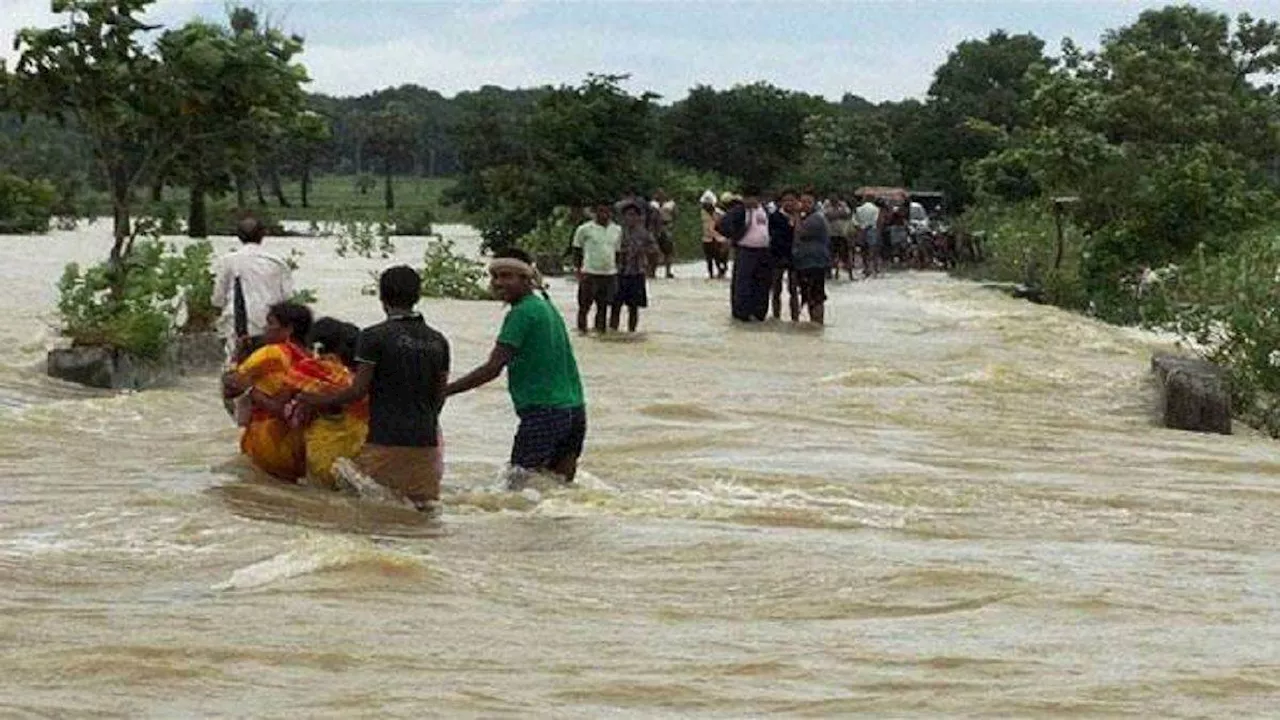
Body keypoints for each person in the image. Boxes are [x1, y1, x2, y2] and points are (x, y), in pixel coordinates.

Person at [298, 266, 450, 511]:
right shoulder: (438, 340)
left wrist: (316, 400)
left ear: (382, 297)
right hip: (426, 443)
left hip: (385, 439)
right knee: (421, 515)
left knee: (377, 516)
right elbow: (439, 395)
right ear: (418, 296)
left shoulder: (373, 337)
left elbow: (357, 391)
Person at [445, 248, 586, 489]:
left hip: (543, 413)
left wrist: (444, 391)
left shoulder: (521, 314)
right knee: (559, 491)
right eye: (495, 276)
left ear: (526, 278)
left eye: (507, 276)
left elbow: (492, 369)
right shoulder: (546, 308)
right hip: (575, 411)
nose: (499, 283)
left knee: (515, 491)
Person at [221, 302, 312, 481]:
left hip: (267, 441)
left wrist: (236, 357)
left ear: (288, 329)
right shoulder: (310, 357)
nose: (265, 329)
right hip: (300, 447)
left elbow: (231, 388)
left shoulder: (270, 353)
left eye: (270, 323)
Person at [284, 318, 369, 490]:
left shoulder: (311, 370)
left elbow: (284, 400)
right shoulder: (362, 378)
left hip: (324, 446)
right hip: (360, 445)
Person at [211, 216, 294, 361]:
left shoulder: (228, 261)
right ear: (263, 234)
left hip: (237, 324)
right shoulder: (278, 262)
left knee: (236, 364)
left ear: (238, 236)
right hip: (271, 325)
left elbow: (217, 299)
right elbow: (287, 298)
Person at [721, 186, 773, 322]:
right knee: (742, 283)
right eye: (747, 198)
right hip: (745, 251)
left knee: (763, 283)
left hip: (764, 252)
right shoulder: (738, 211)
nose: (750, 200)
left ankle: (759, 312)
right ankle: (741, 313)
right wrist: (732, 237)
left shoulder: (766, 210)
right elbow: (722, 224)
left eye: (753, 198)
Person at [571, 203, 621, 334]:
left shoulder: (617, 230)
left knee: (603, 306)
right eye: (600, 211)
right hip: (589, 272)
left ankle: (600, 331)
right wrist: (577, 270)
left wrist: (618, 269)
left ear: (611, 213)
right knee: (584, 305)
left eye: (607, 211)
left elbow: (618, 251)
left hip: (609, 273)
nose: (604, 215)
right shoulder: (584, 229)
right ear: (595, 213)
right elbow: (577, 249)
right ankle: (582, 330)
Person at [612, 202, 660, 332]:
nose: (630, 218)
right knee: (615, 305)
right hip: (619, 273)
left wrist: (650, 268)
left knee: (633, 307)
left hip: (637, 273)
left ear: (639, 217)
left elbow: (654, 250)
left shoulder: (644, 234)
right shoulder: (617, 232)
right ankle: (613, 331)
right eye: (628, 215)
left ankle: (632, 332)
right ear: (623, 217)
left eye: (634, 215)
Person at [793, 193, 832, 324]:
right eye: (802, 202)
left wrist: (796, 216)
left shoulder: (815, 219)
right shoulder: (810, 217)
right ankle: (814, 324)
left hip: (814, 262)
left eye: (808, 202)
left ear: (814, 204)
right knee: (810, 296)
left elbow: (800, 232)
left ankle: (817, 323)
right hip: (807, 262)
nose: (804, 205)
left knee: (816, 296)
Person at [768, 189, 801, 322]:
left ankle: (795, 319)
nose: (789, 203)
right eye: (786, 200)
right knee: (776, 289)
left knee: (793, 289)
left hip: (794, 257)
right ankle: (776, 317)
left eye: (792, 200)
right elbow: (772, 237)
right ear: (781, 202)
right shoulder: (774, 217)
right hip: (777, 256)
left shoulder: (800, 217)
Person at [650, 189, 677, 279]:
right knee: (653, 250)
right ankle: (652, 271)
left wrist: (672, 226)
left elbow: (675, 216)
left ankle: (668, 271)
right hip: (655, 228)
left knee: (668, 250)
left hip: (666, 226)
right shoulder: (652, 204)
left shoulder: (671, 204)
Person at [825, 196, 854, 281]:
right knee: (830, 256)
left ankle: (850, 275)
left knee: (845, 256)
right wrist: (839, 214)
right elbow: (828, 215)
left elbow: (848, 214)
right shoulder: (827, 206)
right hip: (831, 235)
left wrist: (836, 214)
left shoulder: (843, 205)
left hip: (842, 234)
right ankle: (829, 274)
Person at [699, 196, 727, 279]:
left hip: (718, 238)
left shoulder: (720, 213)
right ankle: (711, 274)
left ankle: (721, 270)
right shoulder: (702, 212)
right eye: (704, 204)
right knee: (708, 258)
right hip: (706, 238)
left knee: (719, 257)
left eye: (707, 204)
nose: (705, 206)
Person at [855, 195, 882, 278]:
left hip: (861, 230)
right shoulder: (876, 209)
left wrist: (860, 228)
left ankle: (866, 268)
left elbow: (855, 221)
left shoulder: (858, 209)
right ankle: (874, 268)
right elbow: (876, 221)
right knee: (873, 250)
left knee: (863, 250)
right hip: (871, 230)